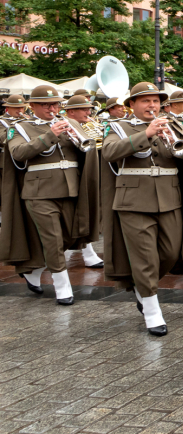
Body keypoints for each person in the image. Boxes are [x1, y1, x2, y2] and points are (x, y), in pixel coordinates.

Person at [100, 82, 183, 336]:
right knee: (144, 256)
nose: (152, 105)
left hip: (169, 198)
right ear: (131, 105)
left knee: (170, 252)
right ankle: (151, 308)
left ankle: (141, 285)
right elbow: (110, 152)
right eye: (145, 101)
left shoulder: (172, 125)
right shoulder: (118, 127)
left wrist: (176, 144)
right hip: (133, 200)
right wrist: (145, 135)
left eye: (156, 101)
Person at [0, 85, 99, 305]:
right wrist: (49, 135)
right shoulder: (20, 128)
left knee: (70, 236)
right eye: (46, 104)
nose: (52, 108)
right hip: (39, 192)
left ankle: (32, 270)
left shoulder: (71, 123)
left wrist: (82, 142)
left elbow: (88, 149)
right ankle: (62, 286)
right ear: (32, 106)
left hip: (71, 188)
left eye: (55, 104)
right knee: (52, 239)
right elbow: (18, 153)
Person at [61, 95, 105, 269]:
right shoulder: (63, 126)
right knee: (72, 218)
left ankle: (86, 252)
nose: (89, 112)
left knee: (86, 215)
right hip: (71, 176)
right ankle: (57, 256)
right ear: (71, 112)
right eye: (84, 109)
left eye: (89, 109)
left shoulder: (90, 125)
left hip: (91, 172)